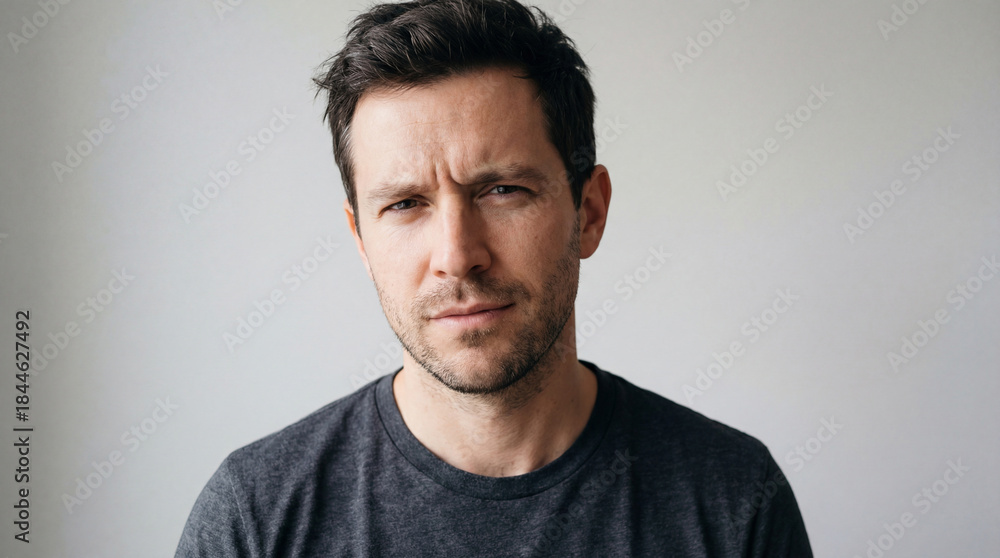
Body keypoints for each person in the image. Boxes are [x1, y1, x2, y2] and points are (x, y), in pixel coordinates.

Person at [174, 0, 813, 556]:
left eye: (503, 190)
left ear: (588, 212)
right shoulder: (255, 518)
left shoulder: (733, 500)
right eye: (404, 204)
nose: (457, 255)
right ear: (360, 241)